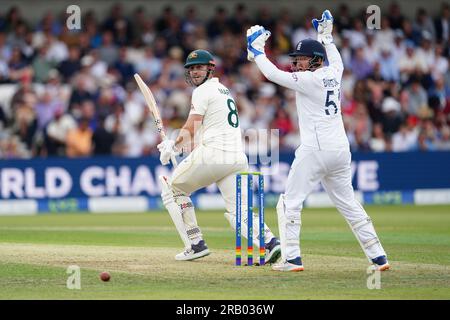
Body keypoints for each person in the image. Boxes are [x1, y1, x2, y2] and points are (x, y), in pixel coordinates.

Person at [246, 10, 389, 272]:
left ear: (314, 61)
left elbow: (274, 75)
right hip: (340, 150)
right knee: (349, 204)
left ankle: (292, 259)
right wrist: (327, 37)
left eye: (301, 60)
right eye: (296, 59)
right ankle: (378, 256)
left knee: (289, 202)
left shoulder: (310, 79)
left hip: (315, 149)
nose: (297, 63)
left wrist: (257, 52)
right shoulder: (335, 72)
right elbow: (336, 59)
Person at [156, 49, 281, 262]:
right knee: (239, 212)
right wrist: (178, 146)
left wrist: (173, 145)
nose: (195, 72)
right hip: (236, 157)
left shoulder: (202, 91)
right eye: (192, 68)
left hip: (214, 154)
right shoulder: (223, 90)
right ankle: (271, 243)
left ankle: (195, 243)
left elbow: (192, 126)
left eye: (199, 67)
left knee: (172, 188)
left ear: (210, 69)